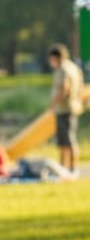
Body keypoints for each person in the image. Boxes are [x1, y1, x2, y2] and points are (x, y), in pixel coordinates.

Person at [48, 42, 84, 176]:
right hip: (73, 107)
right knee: (68, 138)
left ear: (55, 57)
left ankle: (66, 168)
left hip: (64, 108)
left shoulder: (63, 69)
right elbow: (80, 86)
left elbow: (64, 87)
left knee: (65, 140)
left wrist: (53, 103)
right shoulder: (73, 67)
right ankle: (69, 167)